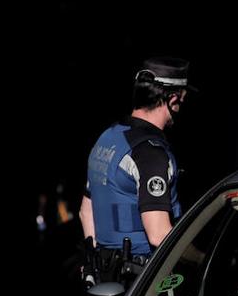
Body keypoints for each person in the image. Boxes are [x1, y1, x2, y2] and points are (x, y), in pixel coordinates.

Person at [81, 57, 190, 280]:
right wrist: (201, 258)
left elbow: (86, 211)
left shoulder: (108, 138)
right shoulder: (150, 153)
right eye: (182, 99)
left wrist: (94, 265)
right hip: (142, 279)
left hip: (103, 277)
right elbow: (159, 235)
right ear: (172, 98)